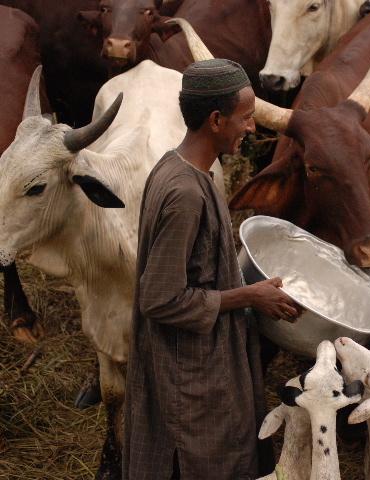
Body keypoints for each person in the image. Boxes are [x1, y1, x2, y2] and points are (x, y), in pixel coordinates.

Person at [122, 59, 300, 480]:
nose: (252, 128)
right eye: (246, 118)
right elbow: (160, 298)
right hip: (189, 374)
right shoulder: (184, 193)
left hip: (200, 358)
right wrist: (249, 296)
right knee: (202, 458)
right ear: (216, 120)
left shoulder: (182, 167)